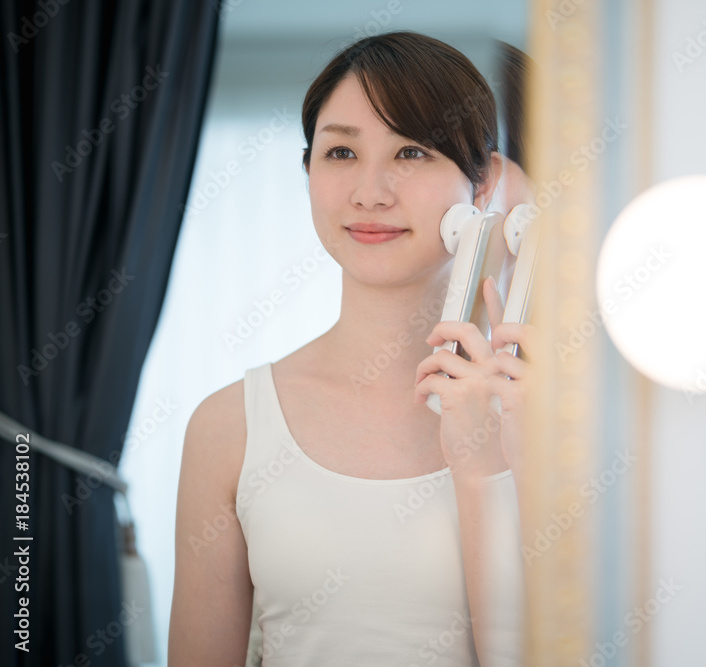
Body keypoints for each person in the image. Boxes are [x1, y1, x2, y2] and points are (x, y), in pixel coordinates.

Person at [168, 31, 536, 666]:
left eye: (412, 151)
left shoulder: (544, 420)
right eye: (340, 152)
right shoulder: (228, 427)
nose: (370, 191)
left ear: (486, 184)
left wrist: (490, 467)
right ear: (308, 172)